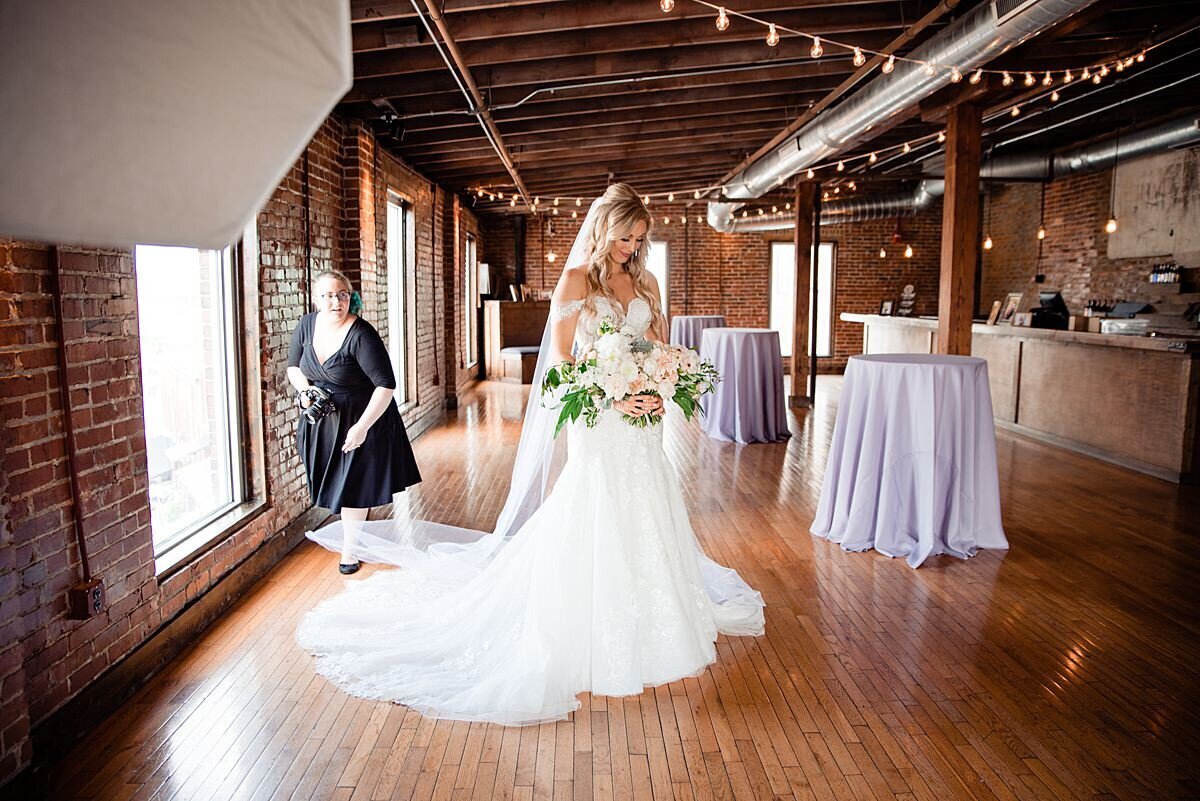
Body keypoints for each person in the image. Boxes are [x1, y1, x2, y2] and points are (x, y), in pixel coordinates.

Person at [296, 184, 764, 725]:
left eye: (639, 240)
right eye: (623, 237)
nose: (630, 248)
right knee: (595, 506)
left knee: (647, 504)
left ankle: (656, 614)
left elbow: (661, 348)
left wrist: (658, 387)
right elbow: (563, 361)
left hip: (643, 421)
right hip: (600, 414)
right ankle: (585, 620)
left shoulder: (649, 282)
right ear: (602, 230)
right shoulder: (574, 282)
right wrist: (615, 391)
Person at [286, 269, 421, 574]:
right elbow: (294, 368)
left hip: (362, 419)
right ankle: (353, 541)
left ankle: (349, 551)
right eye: (329, 295)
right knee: (336, 483)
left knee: (353, 486)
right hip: (321, 421)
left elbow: (386, 385)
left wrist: (361, 428)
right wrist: (305, 390)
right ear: (317, 299)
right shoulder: (307, 325)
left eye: (343, 294)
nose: (336, 301)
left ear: (350, 296)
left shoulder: (362, 334)